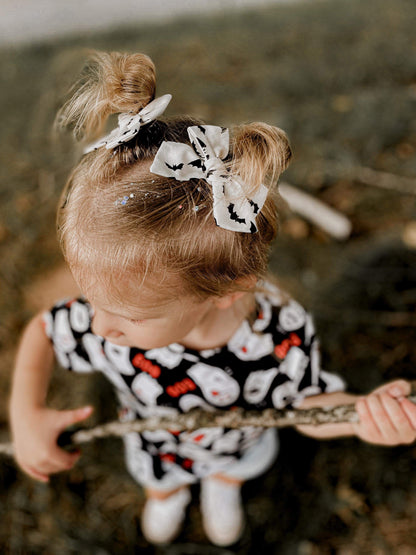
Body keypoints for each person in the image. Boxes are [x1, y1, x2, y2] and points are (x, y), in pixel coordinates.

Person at [9, 51, 416, 547]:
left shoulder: (279, 337)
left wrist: (359, 414)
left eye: (128, 315)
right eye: (92, 301)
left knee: (234, 469)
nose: (98, 327)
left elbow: (307, 405)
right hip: (155, 444)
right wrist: (25, 413)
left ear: (224, 292)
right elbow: (44, 333)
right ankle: (168, 494)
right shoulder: (115, 321)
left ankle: (223, 487)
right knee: (160, 478)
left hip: (239, 446)